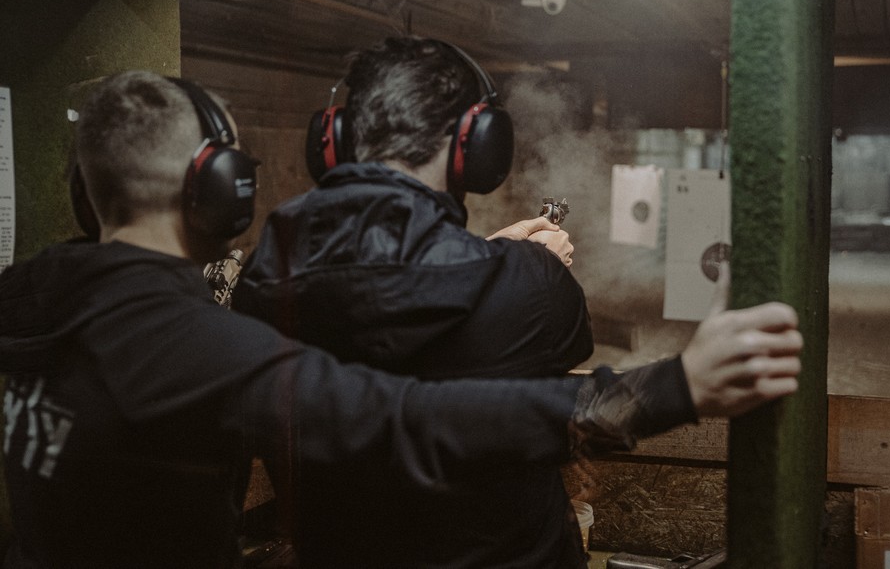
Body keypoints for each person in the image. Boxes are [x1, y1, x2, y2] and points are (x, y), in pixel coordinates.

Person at [0, 70, 803, 569]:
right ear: (216, 185)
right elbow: (420, 421)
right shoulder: (187, 348)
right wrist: (675, 388)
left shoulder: (27, 299)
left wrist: (478, 256)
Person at [229, 37, 782, 568]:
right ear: (477, 145)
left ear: (333, 138)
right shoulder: (530, 282)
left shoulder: (262, 281)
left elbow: (385, 291)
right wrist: (528, 265)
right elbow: (560, 404)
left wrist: (491, 251)